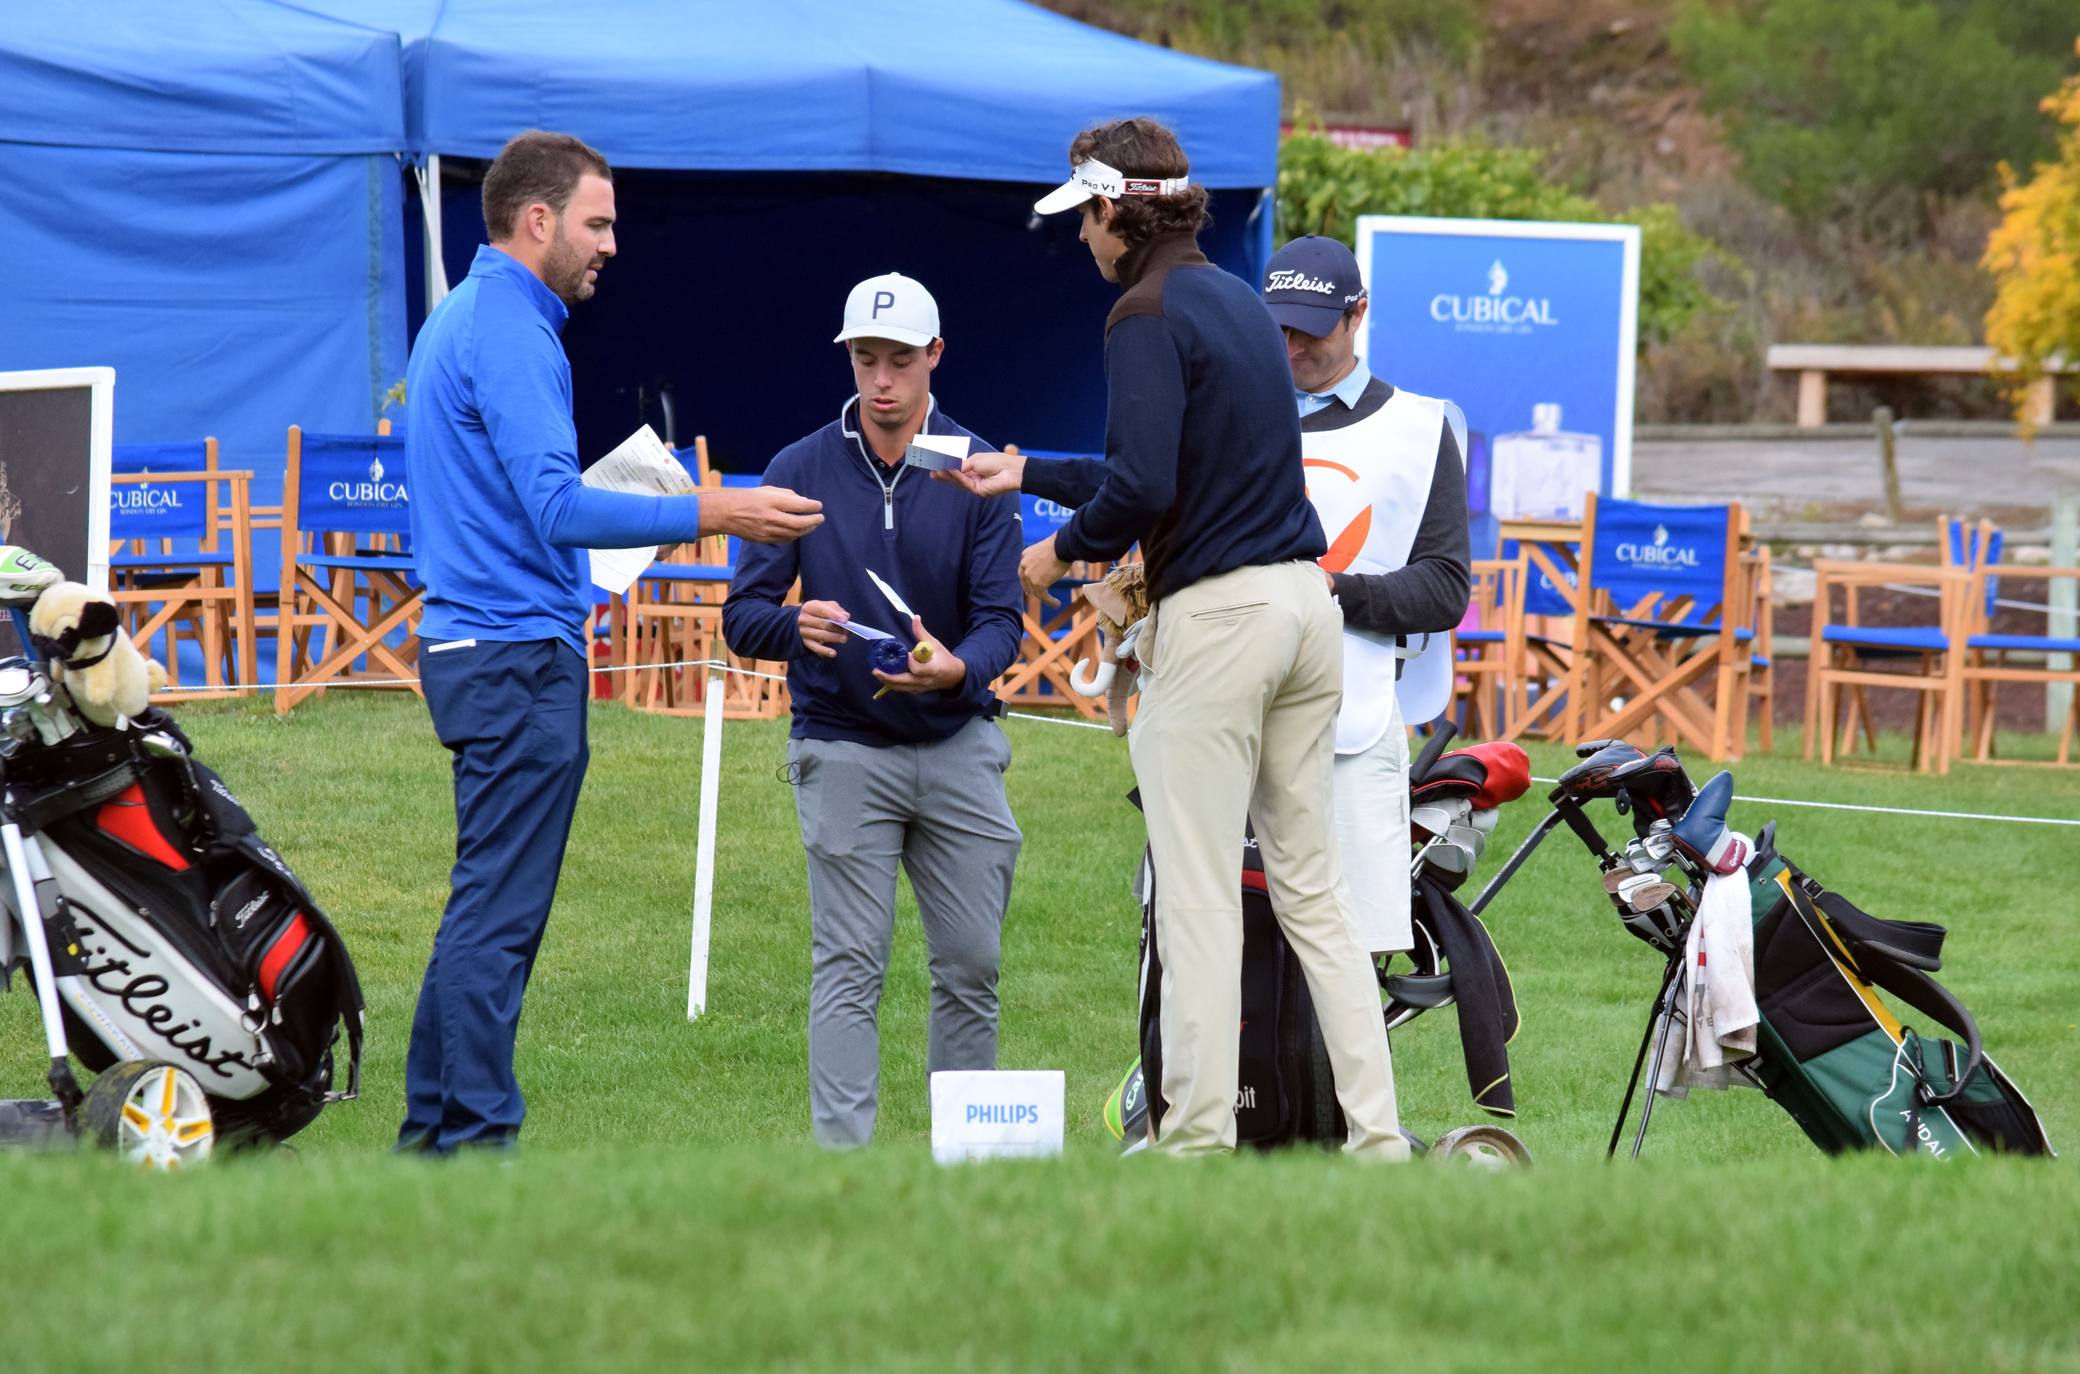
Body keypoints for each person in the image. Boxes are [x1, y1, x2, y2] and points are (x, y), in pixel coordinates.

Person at [939, 118, 1405, 1159]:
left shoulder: (1139, 313)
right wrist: (1030, 473)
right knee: (1314, 896)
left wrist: (1054, 555)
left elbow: (1144, 488)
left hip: (1223, 620)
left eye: (1085, 219)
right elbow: (1165, 465)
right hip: (1304, 609)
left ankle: (1193, 1148)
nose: (1080, 240)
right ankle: (1379, 1145)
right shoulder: (1236, 302)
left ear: (1116, 209)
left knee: (1197, 899)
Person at [398, 130, 822, 1154]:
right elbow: (554, 508)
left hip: (479, 649)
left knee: (482, 912)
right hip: (514, 659)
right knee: (498, 922)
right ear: (536, 221)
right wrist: (720, 510)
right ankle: (473, 1148)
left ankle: (433, 1142)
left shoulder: (463, 316)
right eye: (599, 222)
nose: (612, 245)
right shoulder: (508, 326)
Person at [722, 272, 1025, 1148]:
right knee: (849, 966)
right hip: (842, 745)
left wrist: (957, 668)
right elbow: (744, 617)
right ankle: (844, 1175)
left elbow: (1006, 620)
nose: (882, 379)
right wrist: (794, 623)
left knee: (972, 965)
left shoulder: (976, 470)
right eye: (865, 359)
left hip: (959, 739)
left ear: (936, 357)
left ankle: (962, 1159)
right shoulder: (799, 468)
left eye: (900, 359)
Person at [1266, 233, 1473, 1138]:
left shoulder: (1421, 426)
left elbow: (1444, 588)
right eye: (1277, 330)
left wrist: (1331, 591)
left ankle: (1365, 1140)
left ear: (1358, 317)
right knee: (1212, 931)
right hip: (1233, 712)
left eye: (1313, 330)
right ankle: (1226, 1119)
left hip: (1354, 715)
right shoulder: (1235, 408)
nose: (1294, 349)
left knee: (1345, 947)